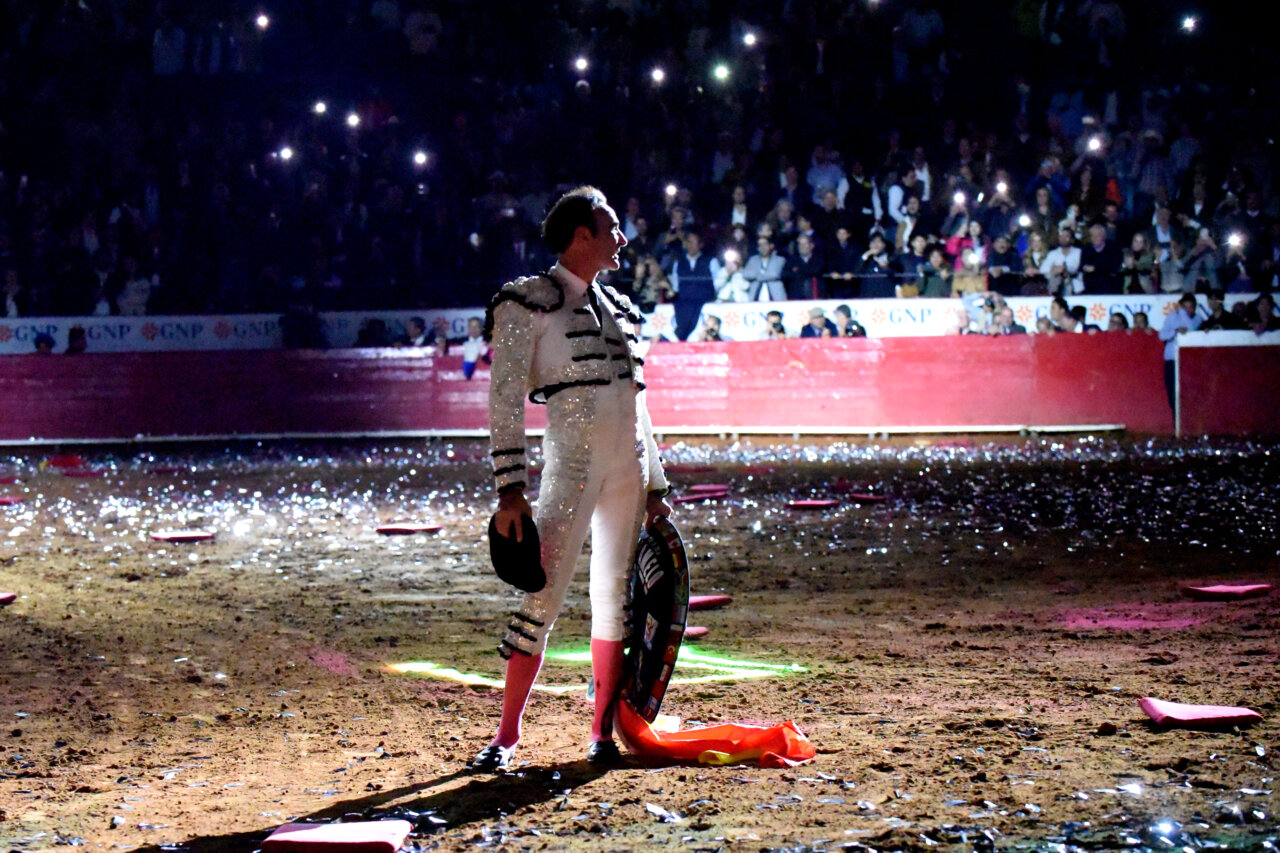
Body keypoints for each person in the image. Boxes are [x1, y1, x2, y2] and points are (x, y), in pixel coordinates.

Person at [478, 185, 672, 772]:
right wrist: (510, 488)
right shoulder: (526, 303)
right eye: (612, 226)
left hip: (628, 472)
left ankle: (600, 733)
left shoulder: (617, 309)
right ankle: (506, 735)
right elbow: (504, 399)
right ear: (580, 234)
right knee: (542, 595)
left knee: (615, 601)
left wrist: (657, 484)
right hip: (571, 467)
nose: (623, 237)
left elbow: (636, 404)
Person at [669, 232, 720, 341]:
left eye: (694, 242)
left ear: (700, 245)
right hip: (684, 304)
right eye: (688, 242)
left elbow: (717, 284)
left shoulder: (711, 261)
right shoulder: (678, 263)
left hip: (704, 301)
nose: (691, 245)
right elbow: (675, 287)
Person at [1159, 293, 1202, 413]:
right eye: (1185, 307)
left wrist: (1182, 314)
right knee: (1172, 394)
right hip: (1171, 360)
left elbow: (1191, 329)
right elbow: (1162, 335)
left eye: (1191, 307)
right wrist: (1175, 331)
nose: (1188, 310)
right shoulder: (1172, 317)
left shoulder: (1197, 319)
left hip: (1187, 361)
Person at [743, 236, 787, 301]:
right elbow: (746, 274)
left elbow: (775, 274)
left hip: (776, 296)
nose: (762, 247)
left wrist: (757, 276)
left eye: (765, 244)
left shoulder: (779, 259)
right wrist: (765, 274)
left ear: (771, 246)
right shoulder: (753, 259)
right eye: (760, 245)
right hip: (756, 296)